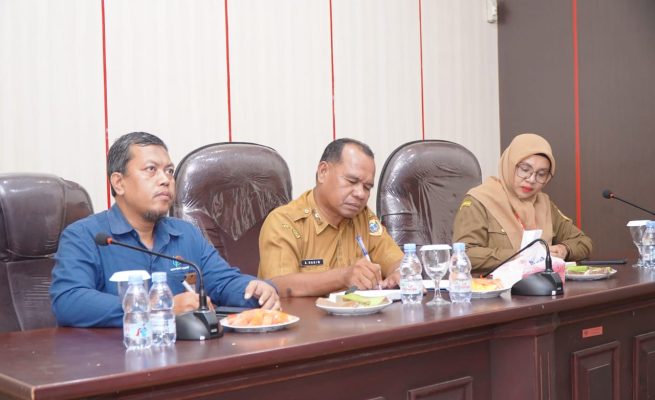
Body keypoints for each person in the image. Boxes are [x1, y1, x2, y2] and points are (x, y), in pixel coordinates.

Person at [50, 132, 279, 328]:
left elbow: (224, 282)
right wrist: (159, 307)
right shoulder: (85, 236)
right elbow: (69, 301)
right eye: (151, 169)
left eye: (169, 171)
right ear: (119, 183)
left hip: (187, 356)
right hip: (118, 357)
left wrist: (255, 289)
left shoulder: (186, 234)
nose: (165, 180)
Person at [258, 138, 404, 297]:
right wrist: (343, 277)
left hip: (358, 312)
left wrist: (399, 273)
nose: (360, 194)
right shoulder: (284, 222)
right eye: (352, 181)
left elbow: (395, 260)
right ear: (323, 172)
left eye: (367, 187)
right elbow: (278, 285)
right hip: (304, 314)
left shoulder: (363, 218)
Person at [452, 133, 592, 273]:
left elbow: (584, 242)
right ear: (510, 165)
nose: (531, 179)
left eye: (541, 174)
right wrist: (518, 256)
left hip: (542, 284)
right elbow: (465, 254)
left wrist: (564, 250)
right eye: (525, 170)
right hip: (493, 284)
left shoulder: (543, 203)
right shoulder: (479, 200)